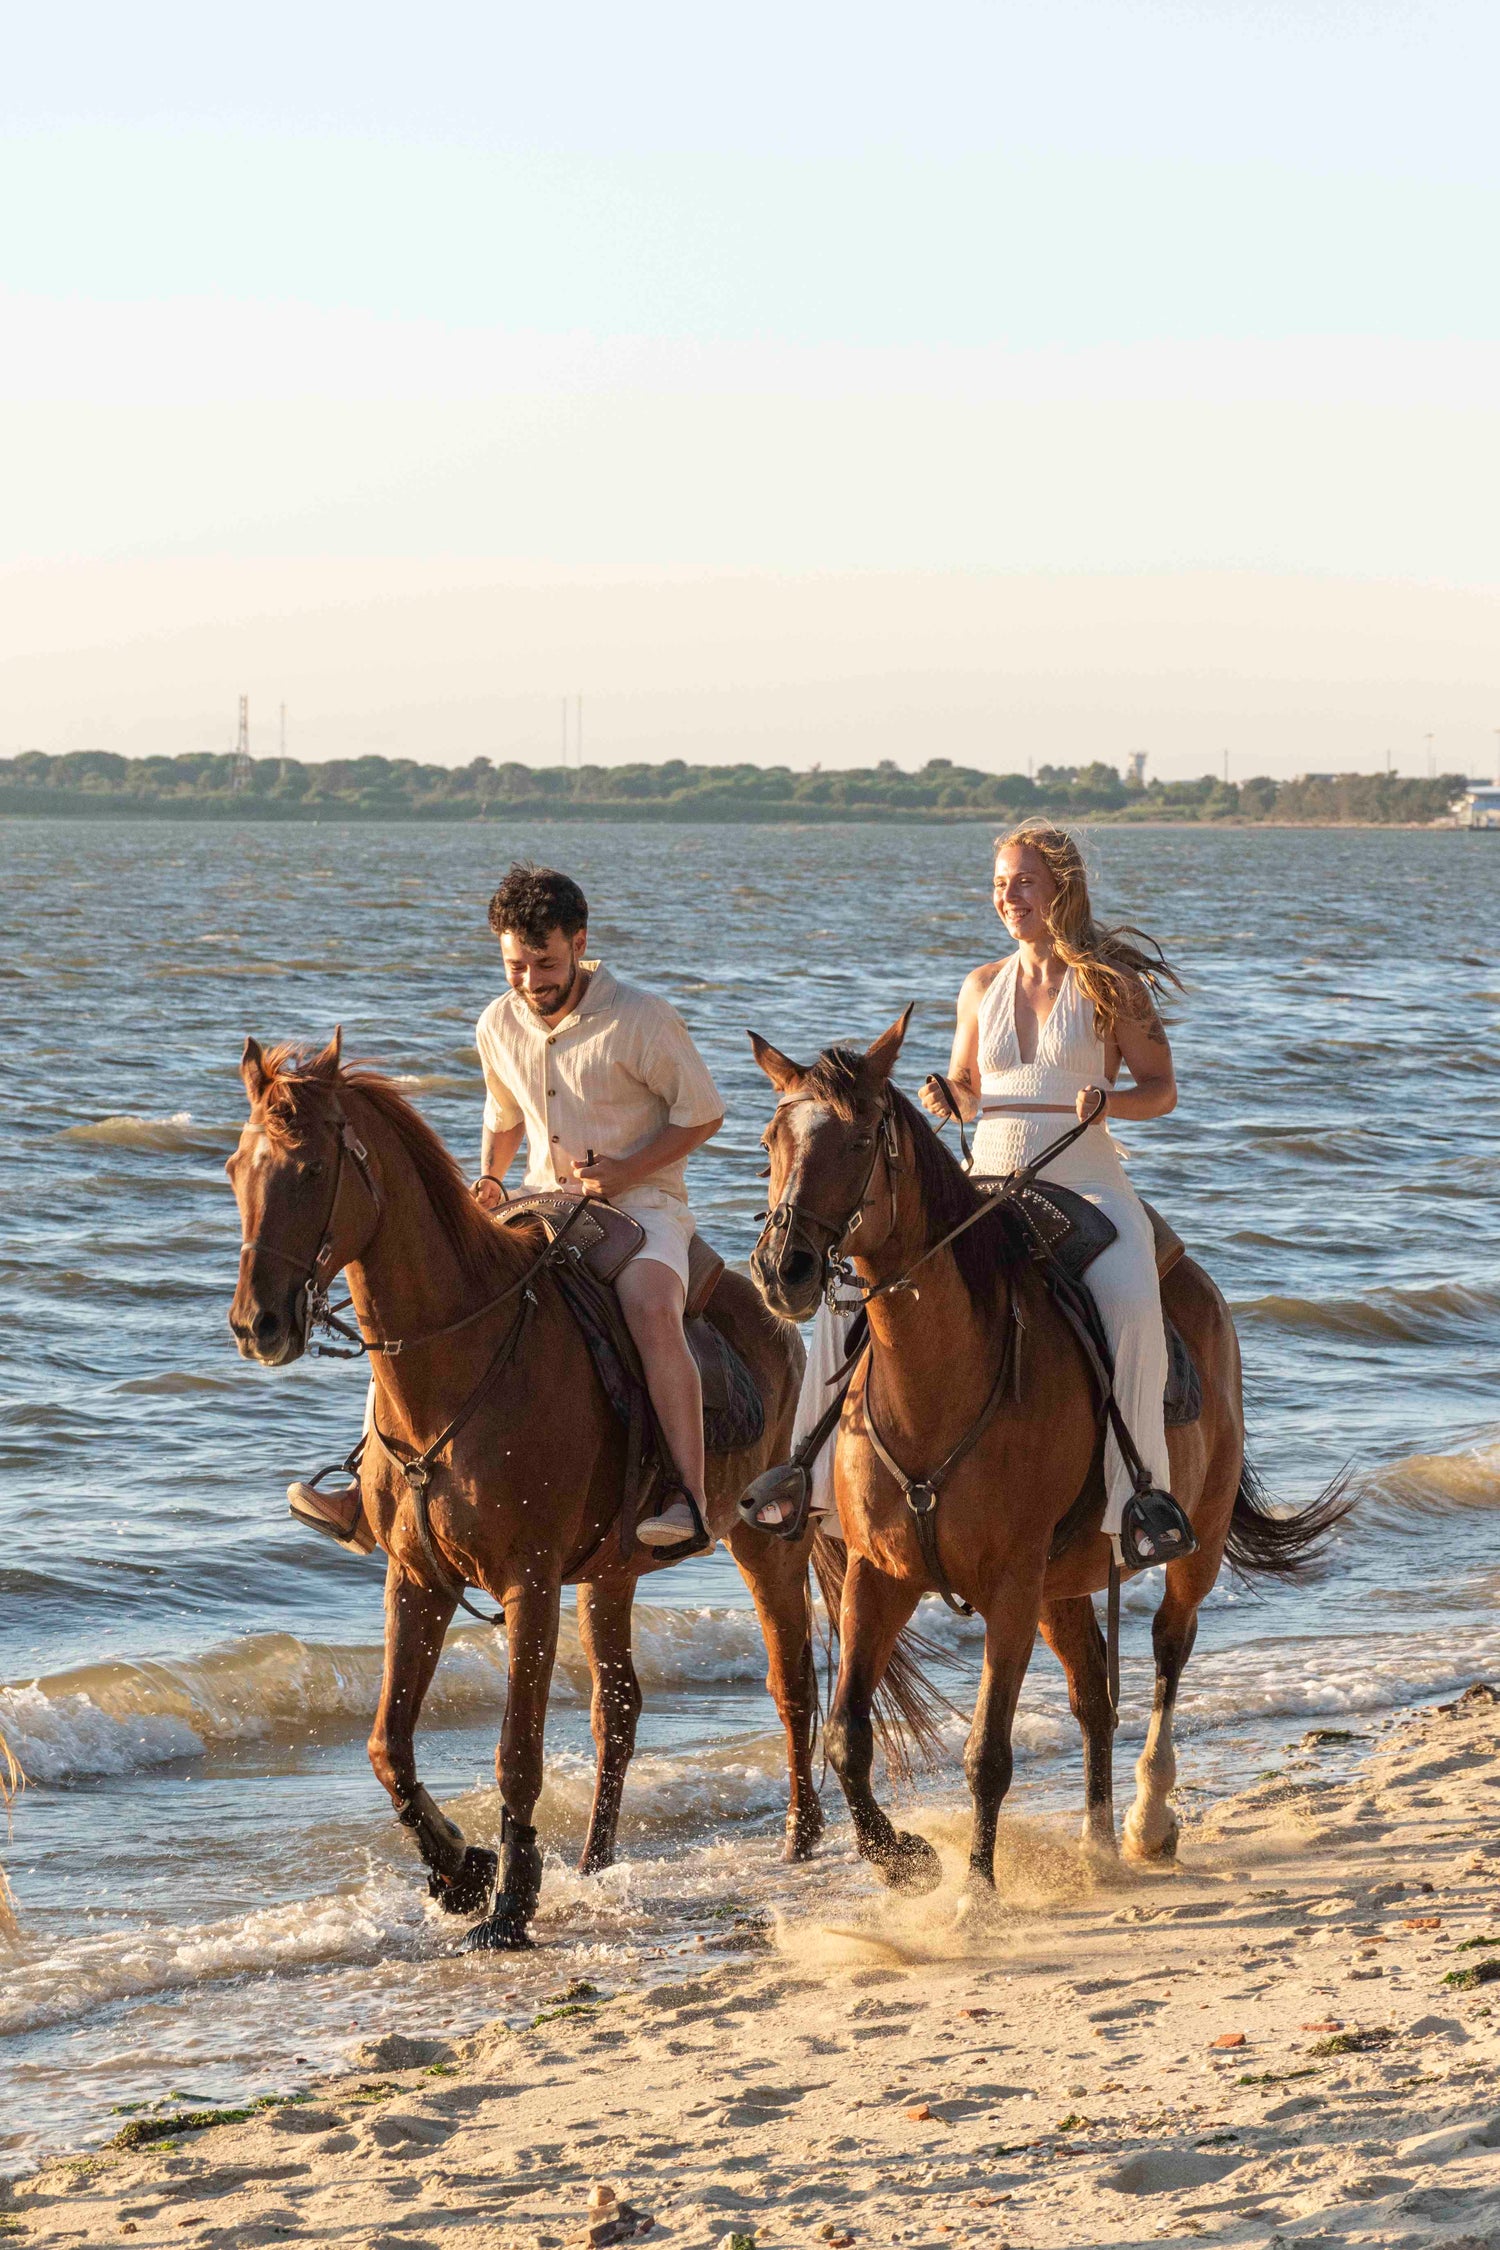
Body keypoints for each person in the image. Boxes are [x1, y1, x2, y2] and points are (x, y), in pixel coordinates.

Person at [289, 863, 724, 1554]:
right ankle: (366, 1488)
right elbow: (504, 1114)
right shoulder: (497, 1021)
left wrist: (625, 1171)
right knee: (418, 1299)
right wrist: (490, 1178)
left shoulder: (642, 1018)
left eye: (544, 963)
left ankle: (688, 1499)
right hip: (539, 1203)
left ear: (580, 943)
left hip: (643, 1208)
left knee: (649, 1308)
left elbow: (702, 1115)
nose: (529, 981)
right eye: (515, 966)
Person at [786, 822, 1192, 1562]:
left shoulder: (1112, 986)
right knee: (850, 1291)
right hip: (985, 1185)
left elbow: (1162, 1090)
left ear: (1062, 887)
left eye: (1024, 882)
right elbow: (969, 1087)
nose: (1009, 897)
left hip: (1087, 1182)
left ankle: (1141, 1495)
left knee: (1132, 1305)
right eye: (1001, 884)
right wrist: (951, 1095)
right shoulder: (979, 986)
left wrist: (1112, 1103)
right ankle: (804, 1476)